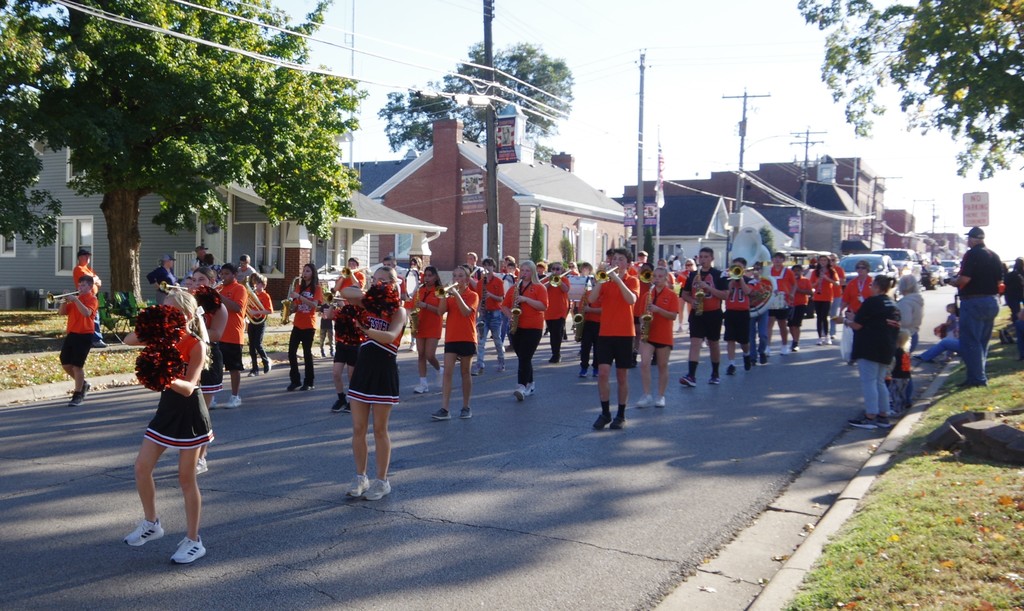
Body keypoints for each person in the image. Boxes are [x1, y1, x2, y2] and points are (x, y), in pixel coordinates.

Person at [122, 290, 212, 563]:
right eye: (161, 309)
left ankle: (194, 541)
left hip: (189, 414)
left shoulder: (196, 344)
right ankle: (152, 523)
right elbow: (128, 340)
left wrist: (164, 375)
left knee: (186, 479)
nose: (163, 313)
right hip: (166, 411)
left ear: (184, 314)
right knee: (141, 467)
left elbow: (189, 388)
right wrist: (153, 327)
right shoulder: (162, 336)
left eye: (168, 310)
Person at [339, 266, 408, 501]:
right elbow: (345, 291)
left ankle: (382, 480)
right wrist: (367, 291)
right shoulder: (367, 304)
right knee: (358, 429)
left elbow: (390, 336)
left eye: (383, 281)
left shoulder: (398, 311)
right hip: (363, 370)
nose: (378, 284)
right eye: (374, 280)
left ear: (393, 283)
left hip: (384, 370)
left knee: (380, 430)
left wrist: (366, 330)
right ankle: (361, 477)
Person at [590, 248, 640, 429]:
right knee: (602, 374)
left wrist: (618, 279)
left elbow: (631, 299)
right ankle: (605, 413)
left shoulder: (632, 280)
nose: (616, 262)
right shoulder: (605, 281)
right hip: (605, 333)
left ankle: (621, 413)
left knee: (621, 376)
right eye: (614, 259)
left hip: (625, 334)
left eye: (621, 260)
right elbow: (592, 299)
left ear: (628, 264)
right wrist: (601, 280)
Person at [846, 274, 901, 429]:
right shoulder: (893, 304)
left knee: (869, 382)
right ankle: (883, 415)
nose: (869, 288)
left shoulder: (871, 302)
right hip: (887, 347)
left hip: (869, 346)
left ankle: (870, 416)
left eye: (871, 285)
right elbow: (878, 321)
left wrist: (847, 321)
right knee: (879, 381)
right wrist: (856, 318)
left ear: (877, 287)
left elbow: (857, 325)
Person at [954, 227, 1003, 388]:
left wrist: (952, 281)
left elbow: (964, 279)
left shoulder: (972, 254)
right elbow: (999, 283)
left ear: (974, 239)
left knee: (970, 341)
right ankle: (975, 376)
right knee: (982, 342)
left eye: (969, 238)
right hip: (992, 301)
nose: (968, 241)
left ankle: (977, 379)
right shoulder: (994, 255)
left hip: (974, 301)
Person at [432, 265, 480, 420]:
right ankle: (444, 409)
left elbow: (466, 312)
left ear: (466, 280)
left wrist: (456, 295)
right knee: (447, 373)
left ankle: (466, 407)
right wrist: (444, 297)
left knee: (465, 373)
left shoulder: (473, 295)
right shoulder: (450, 296)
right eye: (454, 276)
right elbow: (440, 312)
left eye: (460, 276)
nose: (456, 279)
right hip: (452, 337)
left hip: (467, 337)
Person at [679, 247, 729, 386]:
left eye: (706, 257)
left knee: (713, 343)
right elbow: (684, 294)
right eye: (701, 257)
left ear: (712, 259)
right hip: (697, 313)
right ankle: (691, 375)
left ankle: (715, 374)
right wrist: (692, 301)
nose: (703, 259)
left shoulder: (719, 274)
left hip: (713, 313)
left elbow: (725, 295)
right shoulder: (692, 275)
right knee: (695, 343)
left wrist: (708, 288)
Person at [502, 260, 548, 401]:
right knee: (524, 357)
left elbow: (543, 306)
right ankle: (531, 384)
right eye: (522, 270)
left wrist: (526, 299)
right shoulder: (514, 288)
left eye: (528, 271)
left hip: (533, 327)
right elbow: (504, 306)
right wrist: (510, 316)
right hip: (517, 326)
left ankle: (521, 386)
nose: (524, 273)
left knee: (525, 357)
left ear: (533, 272)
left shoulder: (539, 288)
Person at [635, 266, 680, 407]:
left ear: (666, 279)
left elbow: (673, 315)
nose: (657, 279)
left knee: (662, 365)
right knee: (644, 363)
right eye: (655, 276)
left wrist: (658, 310)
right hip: (648, 334)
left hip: (664, 335)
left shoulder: (672, 295)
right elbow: (641, 315)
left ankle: (660, 396)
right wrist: (643, 320)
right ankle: (647, 394)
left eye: (660, 276)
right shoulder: (647, 295)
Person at [59, 274, 98, 407]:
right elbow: (62, 313)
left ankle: (78, 394)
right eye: (79, 285)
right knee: (65, 362)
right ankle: (83, 384)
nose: (80, 287)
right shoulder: (76, 299)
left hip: (85, 335)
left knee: (77, 365)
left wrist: (75, 300)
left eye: (83, 285)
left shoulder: (92, 299)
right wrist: (64, 300)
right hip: (72, 334)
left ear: (90, 286)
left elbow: (87, 313)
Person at [285, 263, 322, 392]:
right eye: (304, 271)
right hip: (297, 324)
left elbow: (314, 305)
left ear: (312, 273)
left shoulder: (317, 288)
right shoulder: (298, 287)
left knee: (307, 354)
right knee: (291, 353)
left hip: (309, 325)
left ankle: (309, 382)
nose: (305, 273)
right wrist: (289, 310)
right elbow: (295, 306)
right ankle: (295, 381)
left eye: (308, 271)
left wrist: (300, 297)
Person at [216, 263, 247, 407]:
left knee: (234, 368)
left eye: (226, 273)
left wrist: (219, 296)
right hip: (218, 333)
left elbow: (236, 307)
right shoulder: (220, 289)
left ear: (234, 275)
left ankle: (235, 396)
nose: (223, 276)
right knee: (216, 368)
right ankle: (212, 397)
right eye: (222, 273)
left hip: (233, 334)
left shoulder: (239, 288)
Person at [411, 266, 443, 393]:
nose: (427, 278)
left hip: (434, 325)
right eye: (426, 275)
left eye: (430, 275)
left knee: (430, 355)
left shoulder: (440, 290)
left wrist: (426, 306)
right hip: (420, 324)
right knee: (421, 354)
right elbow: (413, 307)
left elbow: (441, 311)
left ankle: (440, 370)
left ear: (435, 277)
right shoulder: (420, 290)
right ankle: (423, 383)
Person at [474, 257, 507, 375]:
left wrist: (490, 295)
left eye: (489, 266)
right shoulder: (480, 283)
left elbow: (501, 299)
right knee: (481, 340)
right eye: (485, 266)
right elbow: (477, 300)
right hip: (484, 314)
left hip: (495, 314)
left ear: (493, 267)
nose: (487, 268)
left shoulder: (499, 282)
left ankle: (501, 362)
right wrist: (477, 315)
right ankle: (480, 364)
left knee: (497, 339)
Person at [722, 258, 753, 376]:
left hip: (743, 313)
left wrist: (740, 280)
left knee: (744, 341)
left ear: (744, 269)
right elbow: (726, 294)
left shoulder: (748, 280)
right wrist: (730, 281)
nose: (736, 269)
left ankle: (746, 354)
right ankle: (731, 364)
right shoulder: (727, 280)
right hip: (730, 312)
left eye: (739, 267)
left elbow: (747, 292)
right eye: (734, 267)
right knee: (730, 338)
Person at [72, 248, 107, 348]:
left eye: (89, 256)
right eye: (85, 256)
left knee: (94, 318)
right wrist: (94, 279)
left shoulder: (89, 269)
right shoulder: (78, 269)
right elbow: (89, 280)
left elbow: (99, 282)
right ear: (80, 257)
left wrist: (94, 279)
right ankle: (96, 340)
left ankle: (92, 338)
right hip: (84, 297)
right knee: (93, 317)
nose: (88, 258)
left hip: (92, 297)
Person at [764, 252, 796, 356]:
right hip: (771, 299)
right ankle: (767, 347)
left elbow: (794, 284)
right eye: (775, 258)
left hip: (783, 300)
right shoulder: (768, 271)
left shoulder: (788, 272)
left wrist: (791, 294)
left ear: (783, 260)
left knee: (782, 324)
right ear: (772, 260)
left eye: (780, 258)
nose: (777, 260)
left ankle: (784, 346)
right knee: (769, 323)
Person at [246, 273, 273, 377]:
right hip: (252, 322)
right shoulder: (251, 295)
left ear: (264, 285)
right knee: (251, 346)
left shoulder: (265, 296)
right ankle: (254, 369)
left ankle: (266, 361)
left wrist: (256, 312)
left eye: (259, 284)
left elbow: (269, 311)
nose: (256, 286)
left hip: (260, 322)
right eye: (255, 283)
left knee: (258, 344)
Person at [544, 261, 571, 363]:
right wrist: (550, 281)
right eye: (553, 269)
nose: (555, 271)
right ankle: (555, 353)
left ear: (562, 271)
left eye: (557, 269)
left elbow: (566, 289)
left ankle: (556, 354)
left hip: (560, 310)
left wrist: (558, 281)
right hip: (549, 310)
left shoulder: (564, 279)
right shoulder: (547, 279)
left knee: (557, 333)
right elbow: (542, 289)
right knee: (552, 333)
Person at [810, 255, 841, 345]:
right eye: (821, 260)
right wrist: (817, 282)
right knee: (819, 317)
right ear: (819, 262)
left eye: (825, 260)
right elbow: (811, 285)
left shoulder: (832, 271)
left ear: (827, 262)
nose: (823, 262)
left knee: (824, 317)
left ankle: (827, 336)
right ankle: (820, 337)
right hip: (817, 297)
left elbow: (837, 283)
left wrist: (827, 279)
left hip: (827, 297)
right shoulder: (815, 272)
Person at [577, 262, 601, 378]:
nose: (597, 282)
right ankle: (584, 367)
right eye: (596, 280)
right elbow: (581, 307)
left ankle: (596, 368)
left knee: (598, 348)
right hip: (588, 323)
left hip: (600, 323)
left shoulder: (604, 294)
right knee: (585, 347)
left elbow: (605, 310)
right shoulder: (587, 293)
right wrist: (583, 310)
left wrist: (590, 310)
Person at [747, 262, 772, 366]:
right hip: (751, 310)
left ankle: (762, 352)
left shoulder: (767, 282)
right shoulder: (749, 282)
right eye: (755, 269)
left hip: (763, 309)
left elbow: (771, 293)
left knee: (763, 334)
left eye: (759, 269)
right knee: (751, 335)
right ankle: (753, 357)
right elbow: (748, 294)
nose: (756, 271)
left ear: (762, 270)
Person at [787, 264, 813, 352]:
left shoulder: (805, 280)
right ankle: (794, 339)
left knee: (796, 324)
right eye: (794, 270)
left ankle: (796, 342)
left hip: (801, 304)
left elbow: (810, 292)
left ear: (801, 272)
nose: (796, 272)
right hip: (789, 304)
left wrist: (799, 290)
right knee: (790, 325)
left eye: (798, 270)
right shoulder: (788, 280)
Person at [897, 274, 924, 353]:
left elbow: (905, 321)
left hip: (904, 336)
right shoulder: (917, 300)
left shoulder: (905, 302)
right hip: (914, 332)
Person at [888, 330, 913, 418]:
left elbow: (892, 364)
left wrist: (888, 372)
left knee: (895, 393)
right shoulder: (904, 352)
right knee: (901, 393)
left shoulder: (896, 352)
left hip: (897, 376)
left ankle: (896, 410)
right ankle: (901, 408)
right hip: (906, 376)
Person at [1003, 257, 1024, 323]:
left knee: (1015, 312)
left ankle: (1017, 324)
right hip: (1020, 293)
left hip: (1011, 295)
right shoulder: (1021, 274)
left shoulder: (1010, 274)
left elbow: (1005, 284)